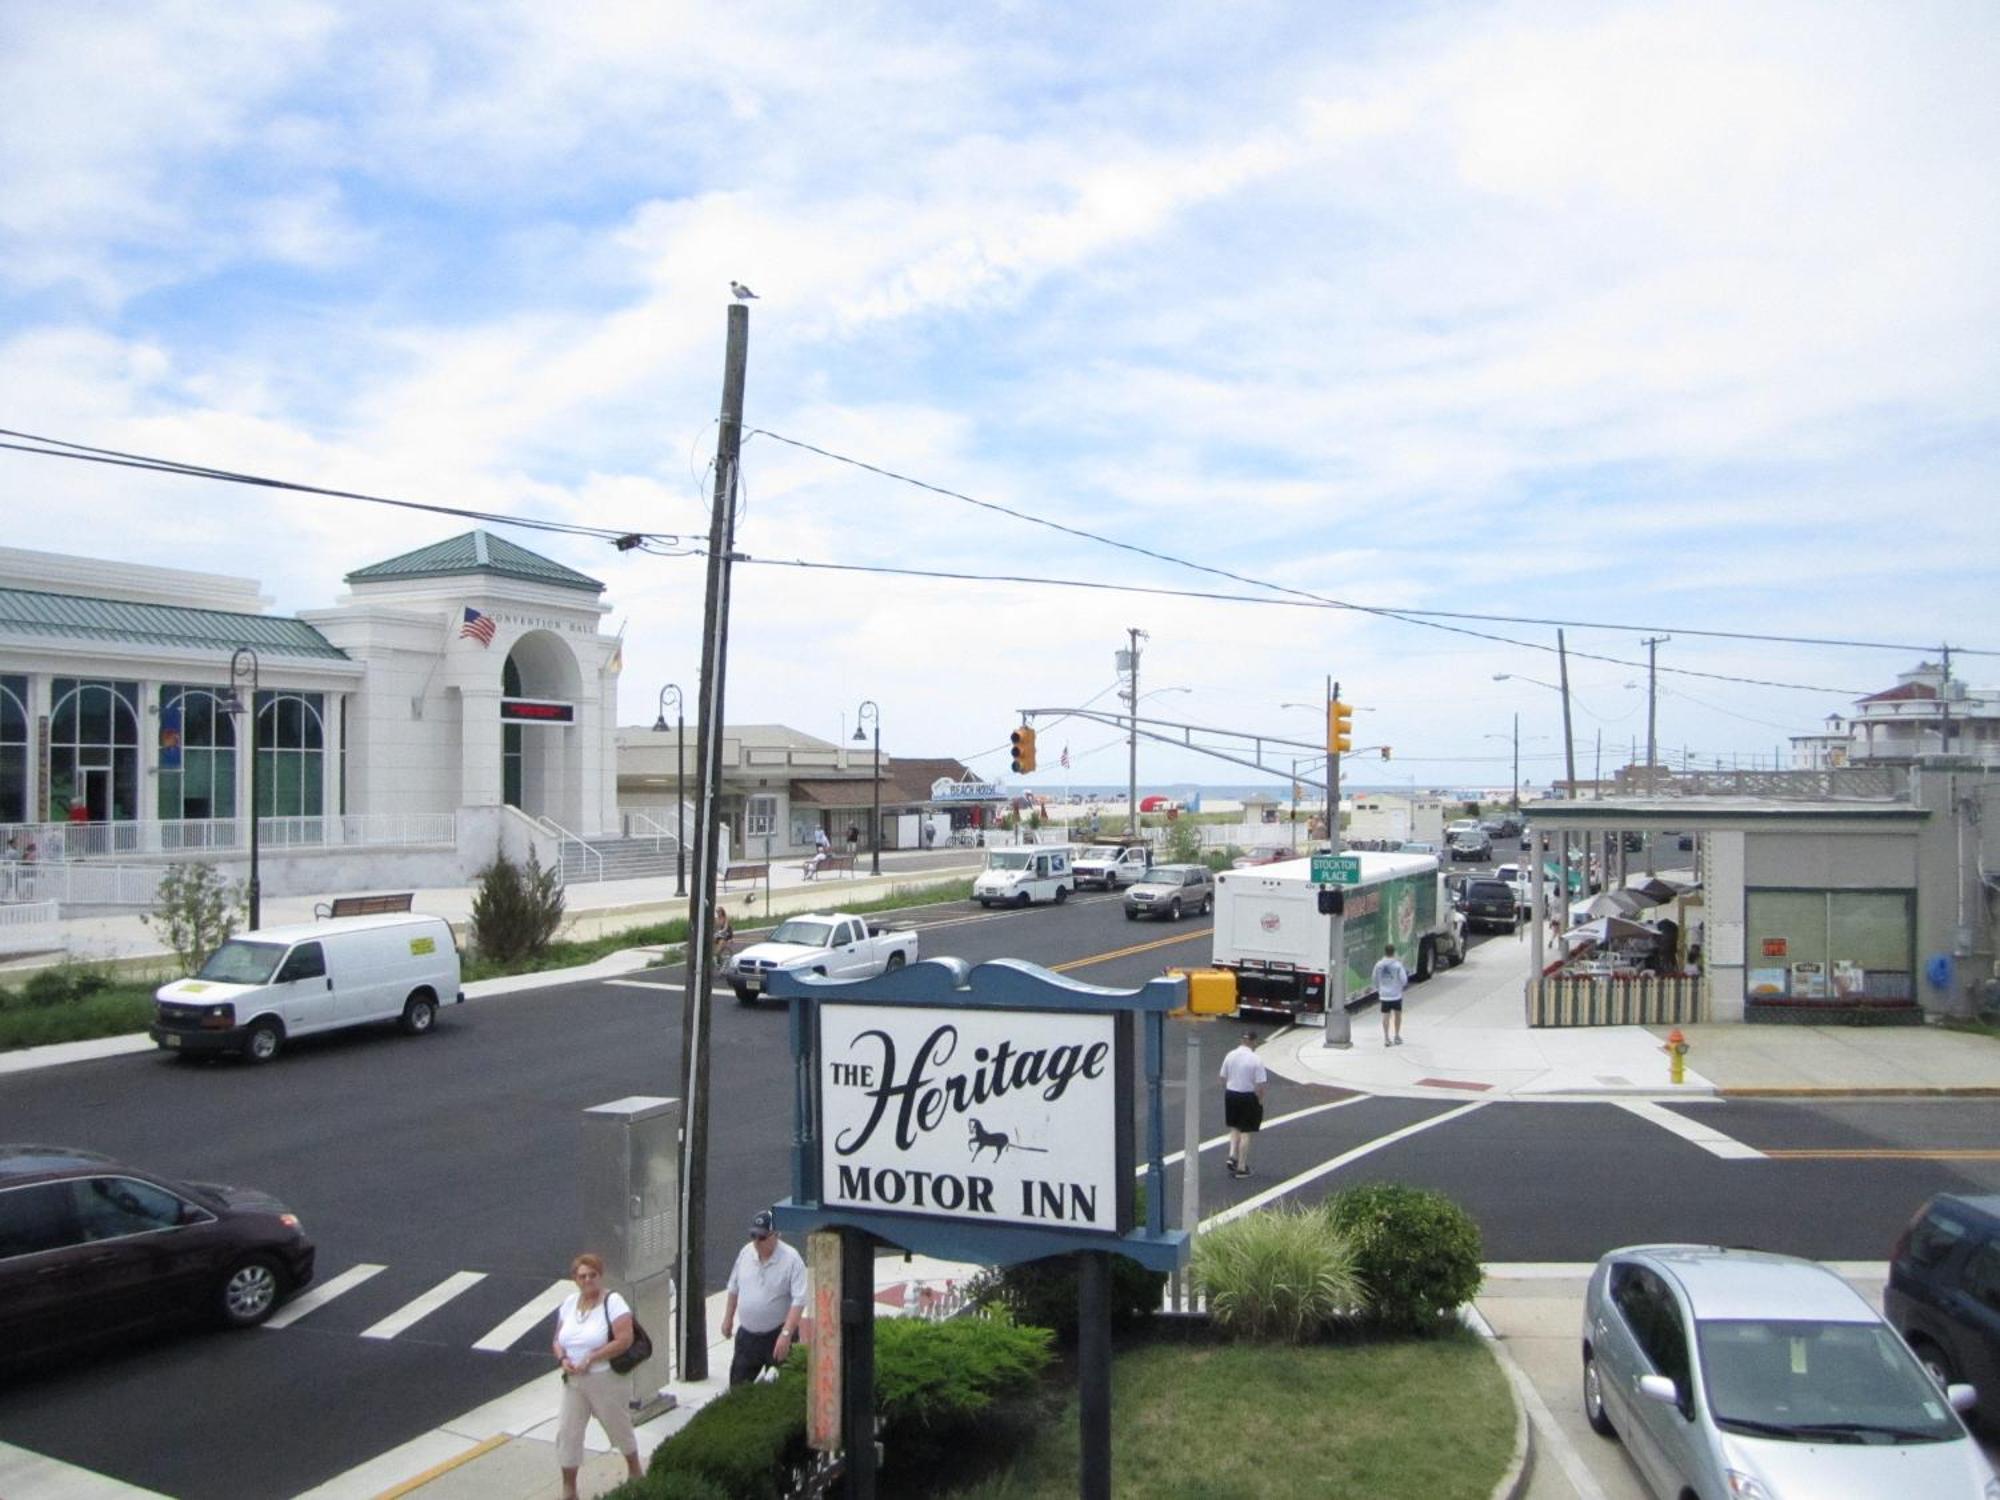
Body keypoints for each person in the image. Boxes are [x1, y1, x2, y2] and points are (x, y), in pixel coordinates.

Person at [550, 1252, 643, 1500]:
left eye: (592, 1275)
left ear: (600, 1276)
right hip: (574, 1381)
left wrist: (593, 1356)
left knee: (618, 1426)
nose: (587, 1280)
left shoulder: (613, 1302)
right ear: (575, 1279)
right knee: (568, 1433)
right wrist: (563, 1359)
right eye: (582, 1276)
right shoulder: (569, 1303)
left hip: (605, 1378)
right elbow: (558, 1341)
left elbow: (625, 1340)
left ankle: (635, 1470)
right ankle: (569, 1488)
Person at [722, 1209, 806, 1387]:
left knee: (781, 1388)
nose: (756, 1242)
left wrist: (786, 1334)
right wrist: (728, 1318)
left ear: (776, 1235)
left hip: (776, 1335)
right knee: (738, 1388)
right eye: (753, 1236)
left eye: (762, 1237)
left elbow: (799, 1300)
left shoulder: (791, 1259)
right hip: (748, 1337)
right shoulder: (746, 1253)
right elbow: (733, 1287)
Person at [1218, 1032, 1267, 1179]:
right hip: (1248, 1095)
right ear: (1253, 1042)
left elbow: (1222, 1077)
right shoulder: (1255, 1059)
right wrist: (1260, 1100)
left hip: (1231, 1093)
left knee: (1235, 1127)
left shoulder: (1230, 1055)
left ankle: (1232, 1154)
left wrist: (1229, 1088)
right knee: (1246, 1131)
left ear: (1242, 1040)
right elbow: (1260, 1084)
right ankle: (1241, 1166)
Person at [1372, 943, 1411, 1046]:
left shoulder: (1379, 965)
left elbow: (1374, 978)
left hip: (1384, 995)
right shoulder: (1398, 965)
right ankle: (1397, 1036)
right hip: (1396, 995)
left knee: (1385, 1016)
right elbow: (1404, 980)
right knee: (1397, 1015)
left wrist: (1379, 988)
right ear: (1394, 952)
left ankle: (1386, 1038)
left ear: (1385, 952)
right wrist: (1400, 987)